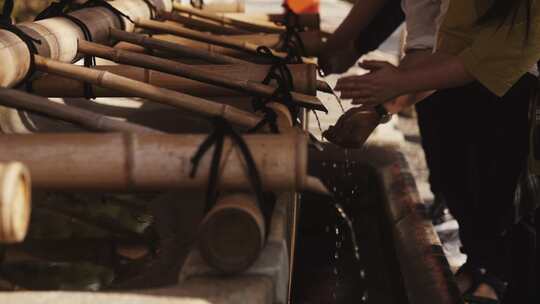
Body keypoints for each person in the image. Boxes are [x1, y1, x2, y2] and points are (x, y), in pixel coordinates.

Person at [326, 0, 540, 303]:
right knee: (459, 179)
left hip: (518, 87)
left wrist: (396, 85)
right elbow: (432, 49)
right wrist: (376, 108)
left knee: (517, 219)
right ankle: (485, 265)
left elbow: (499, 54)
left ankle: (497, 278)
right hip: (470, 78)